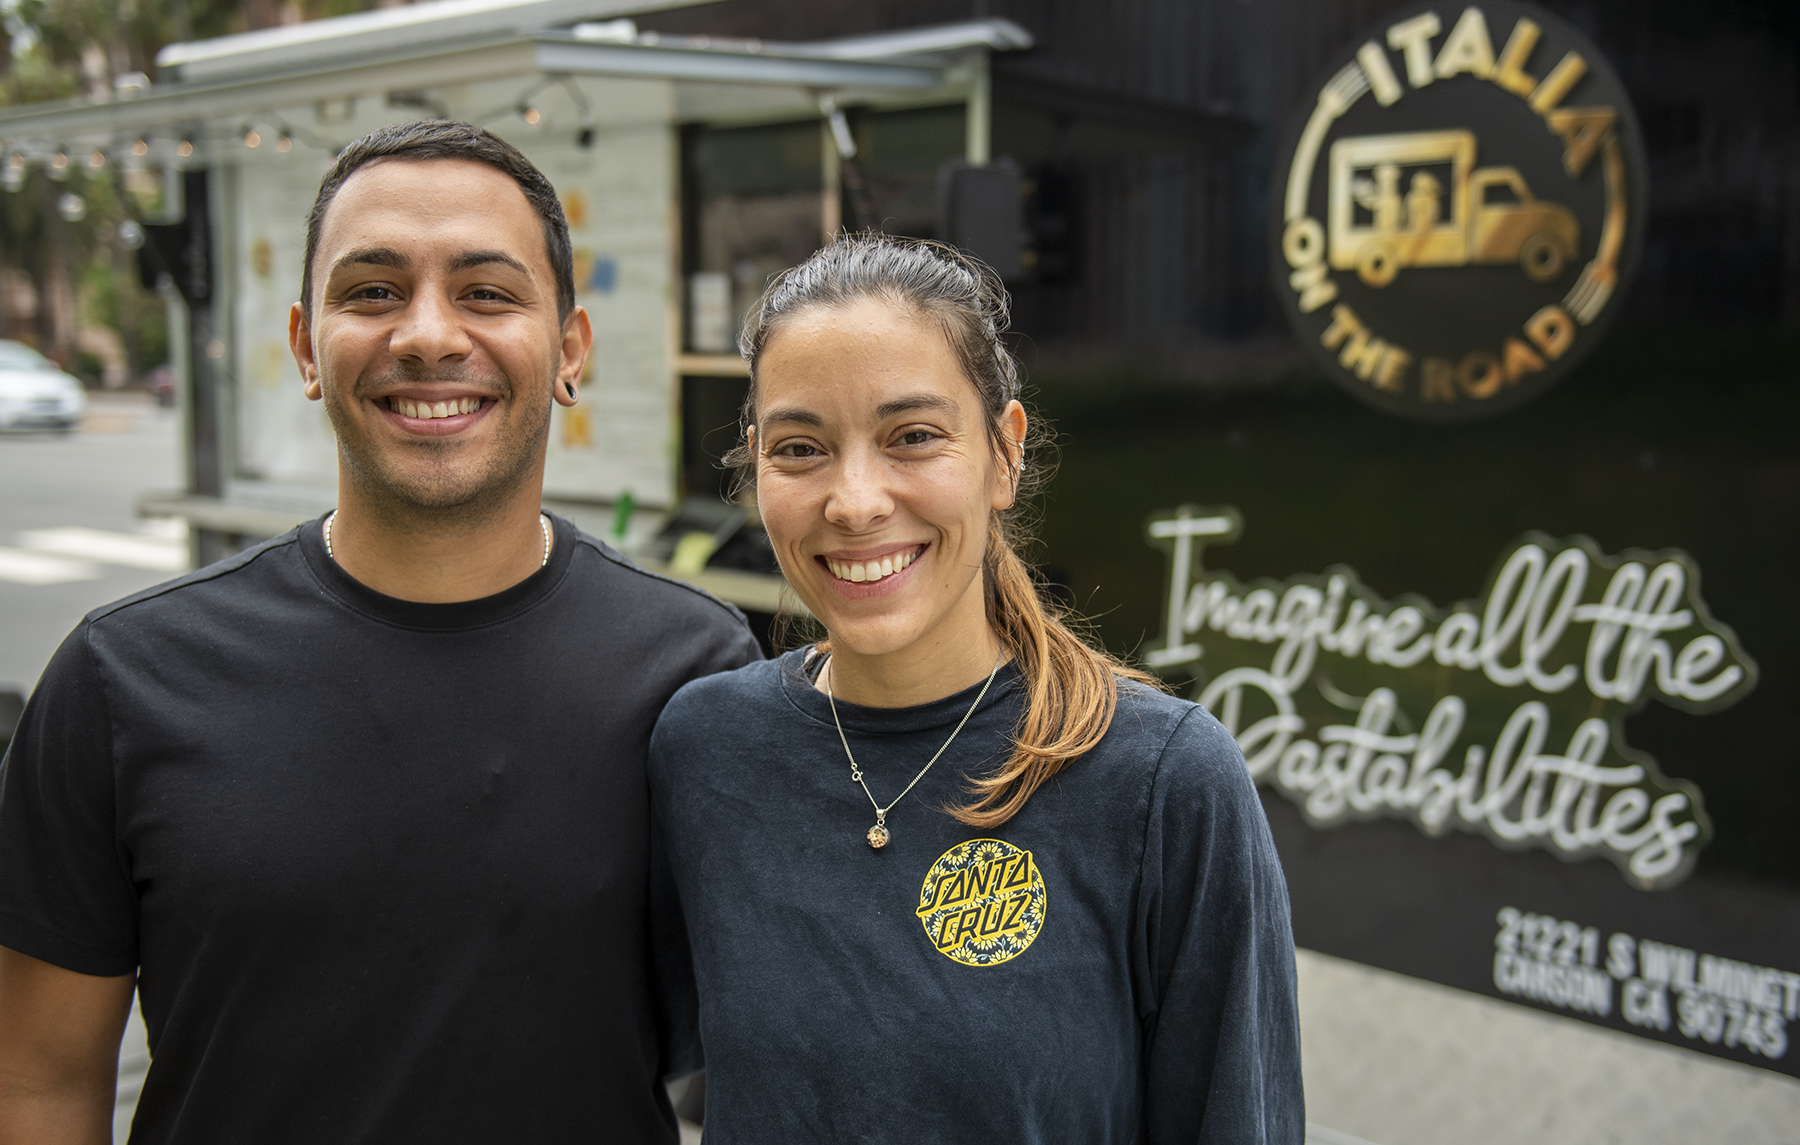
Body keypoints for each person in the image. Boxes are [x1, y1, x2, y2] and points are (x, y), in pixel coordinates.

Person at [0, 121, 759, 1144]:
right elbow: (39, 1084)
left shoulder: (697, 674)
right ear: (308, 346)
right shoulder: (121, 678)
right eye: (373, 290)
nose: (428, 334)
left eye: (486, 290)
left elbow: (767, 1052)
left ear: (570, 348)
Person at [648, 234, 1304, 1142]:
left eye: (912, 436)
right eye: (802, 448)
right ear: (756, 463)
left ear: (1004, 453)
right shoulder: (706, 747)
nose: (855, 500)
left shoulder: (1161, 781)